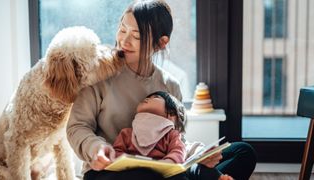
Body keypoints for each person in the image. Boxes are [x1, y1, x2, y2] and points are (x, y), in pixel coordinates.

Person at [66, 1, 257, 180]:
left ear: (161, 42)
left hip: (163, 168)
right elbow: (77, 126)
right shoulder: (98, 74)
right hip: (109, 171)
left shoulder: (170, 85)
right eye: (122, 29)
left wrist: (199, 155)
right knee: (149, 175)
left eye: (136, 36)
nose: (124, 40)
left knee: (242, 152)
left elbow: (175, 138)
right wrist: (96, 147)